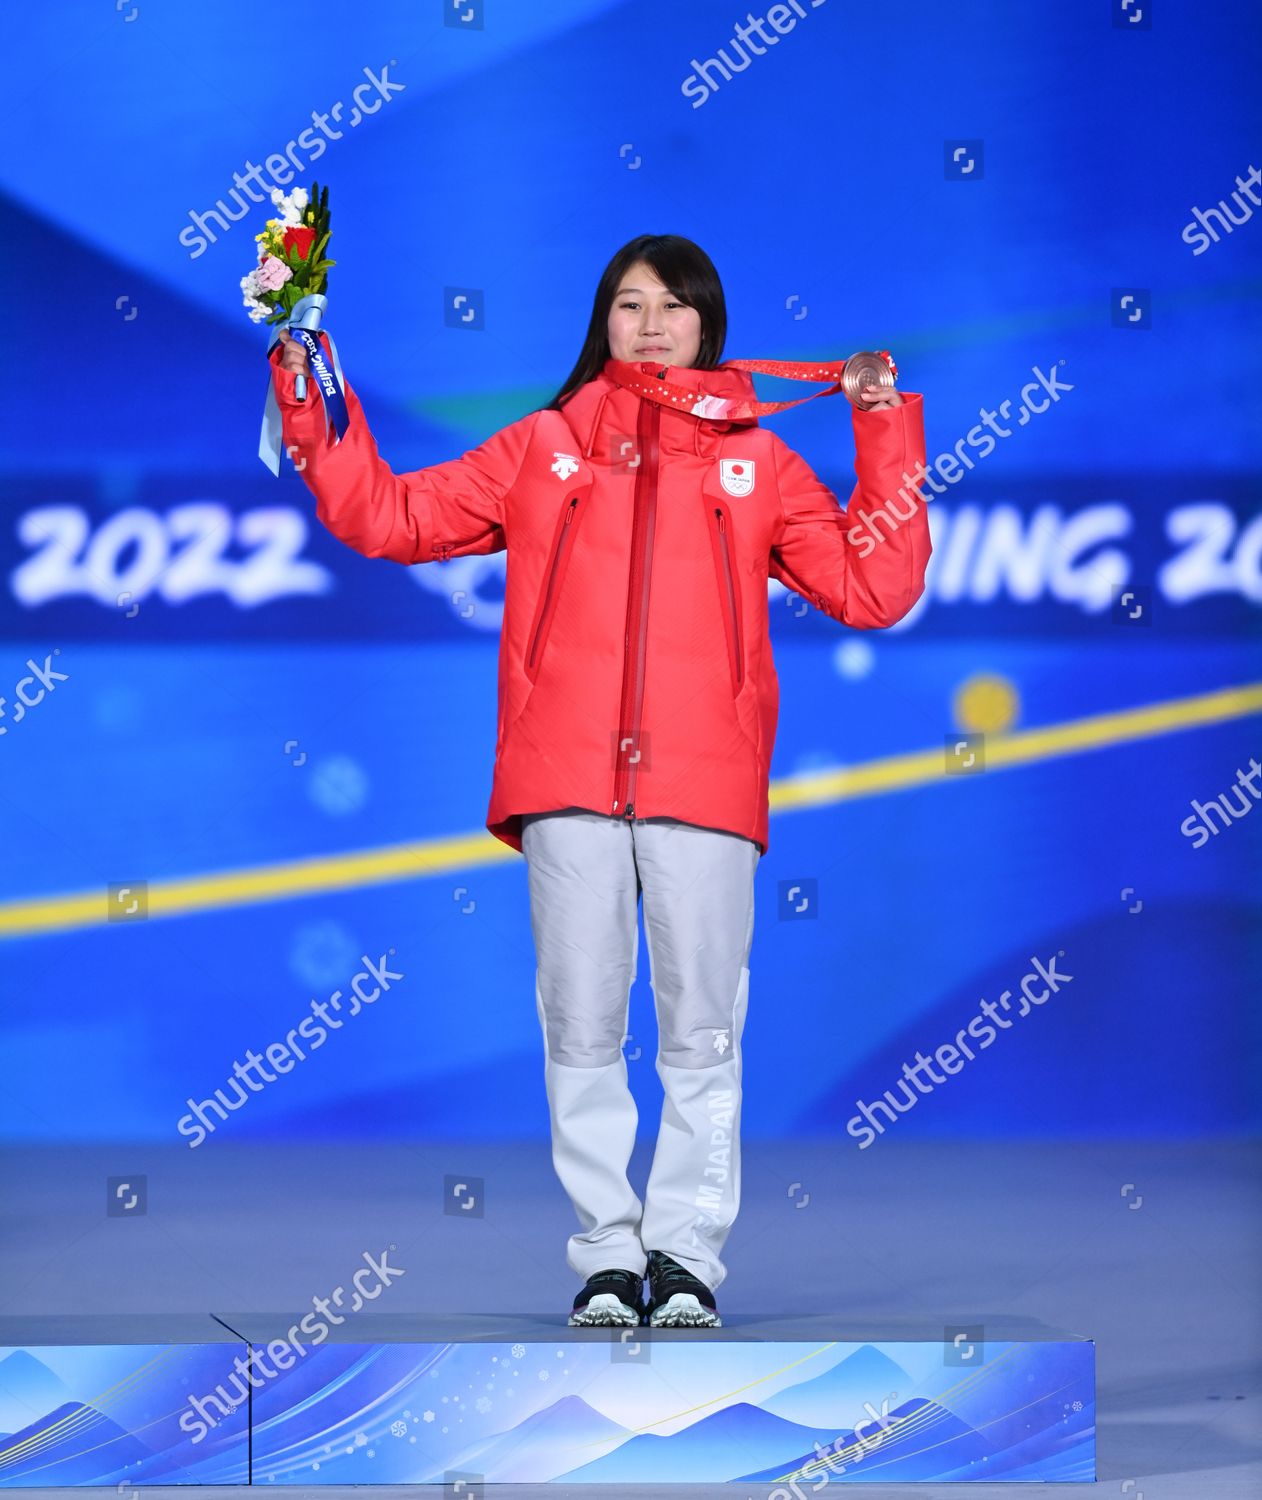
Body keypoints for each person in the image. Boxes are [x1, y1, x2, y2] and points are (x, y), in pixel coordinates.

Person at [270, 233, 930, 1329]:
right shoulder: (542, 448)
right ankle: (606, 1258)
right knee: (578, 1023)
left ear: (707, 327)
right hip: (565, 776)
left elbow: (874, 588)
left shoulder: (758, 464)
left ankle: (685, 1260)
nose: (652, 323)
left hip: (704, 781)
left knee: (700, 1031)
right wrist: (307, 395)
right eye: (630, 305)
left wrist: (878, 425)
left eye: (673, 306)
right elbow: (383, 516)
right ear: (602, 322)